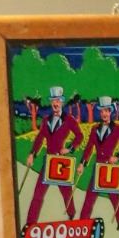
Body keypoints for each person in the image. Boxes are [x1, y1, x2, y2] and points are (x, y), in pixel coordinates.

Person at [24, 85, 83, 228]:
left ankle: (71, 214)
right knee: (38, 194)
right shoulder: (46, 120)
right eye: (53, 101)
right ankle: (30, 224)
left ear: (62, 101)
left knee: (66, 192)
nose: (55, 103)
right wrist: (32, 154)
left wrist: (69, 148)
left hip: (61, 162)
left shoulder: (69, 119)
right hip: (48, 161)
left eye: (58, 100)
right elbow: (39, 139)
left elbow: (79, 136)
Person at [78, 95, 119, 228]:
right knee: (90, 196)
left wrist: (117, 157)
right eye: (102, 111)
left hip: (110, 168)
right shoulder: (95, 129)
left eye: (106, 111)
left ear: (110, 112)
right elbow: (89, 148)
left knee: (114, 195)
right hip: (98, 168)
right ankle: (82, 223)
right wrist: (82, 163)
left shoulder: (118, 128)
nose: (104, 114)